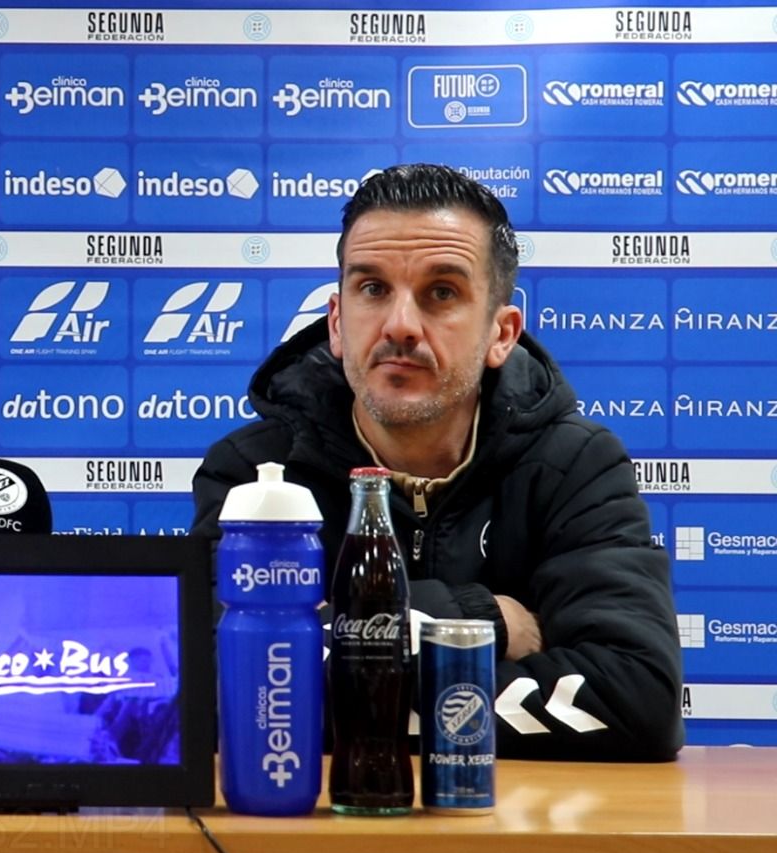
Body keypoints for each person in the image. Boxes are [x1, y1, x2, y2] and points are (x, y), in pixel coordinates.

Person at [191, 164, 681, 761]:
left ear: (502, 333)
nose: (400, 325)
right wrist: (476, 621)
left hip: (516, 841)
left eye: (441, 292)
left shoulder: (575, 466)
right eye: (372, 289)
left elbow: (637, 701)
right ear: (337, 322)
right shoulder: (258, 473)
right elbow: (221, 686)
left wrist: (344, 679)